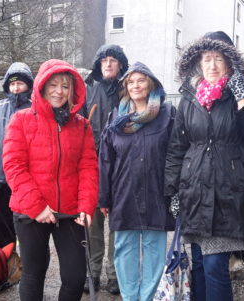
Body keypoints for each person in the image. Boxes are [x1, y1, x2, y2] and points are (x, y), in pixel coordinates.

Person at [164, 31, 244, 301]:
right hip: (195, 193)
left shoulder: (243, 90)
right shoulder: (190, 96)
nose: (212, 65)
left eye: (218, 59)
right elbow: (177, 146)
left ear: (229, 62)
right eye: (207, 59)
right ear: (199, 62)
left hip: (229, 193)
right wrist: (172, 191)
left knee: (214, 266)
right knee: (200, 263)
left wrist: (242, 98)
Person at [2, 59, 98, 300]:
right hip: (31, 212)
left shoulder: (82, 126)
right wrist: (37, 206)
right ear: (42, 87)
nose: (59, 91)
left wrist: (86, 205)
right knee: (34, 274)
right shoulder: (21, 120)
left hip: (70, 212)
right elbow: (13, 166)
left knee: (75, 277)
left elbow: (88, 167)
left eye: (65, 86)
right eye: (53, 85)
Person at [98, 62, 175, 301]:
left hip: (156, 192)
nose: (135, 85)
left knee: (154, 250)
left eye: (140, 80)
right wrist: (104, 196)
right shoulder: (116, 118)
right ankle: (130, 297)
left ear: (150, 83)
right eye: (130, 82)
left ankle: (148, 297)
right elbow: (105, 160)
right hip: (124, 193)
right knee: (125, 250)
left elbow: (175, 154)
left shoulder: (166, 114)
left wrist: (174, 190)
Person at [80, 44, 129, 294]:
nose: (108, 64)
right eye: (104, 61)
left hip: (121, 170)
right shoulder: (88, 92)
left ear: (121, 64)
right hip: (93, 167)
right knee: (94, 225)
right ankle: (93, 272)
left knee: (118, 225)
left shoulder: (127, 92)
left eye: (113, 60)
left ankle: (114, 274)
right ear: (98, 65)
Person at [0, 62, 34, 248]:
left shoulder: (35, 108)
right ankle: (6, 270)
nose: (16, 88)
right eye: (12, 84)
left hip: (25, 179)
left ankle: (27, 271)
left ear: (28, 85)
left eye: (20, 84)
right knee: (1, 229)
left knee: (27, 229)